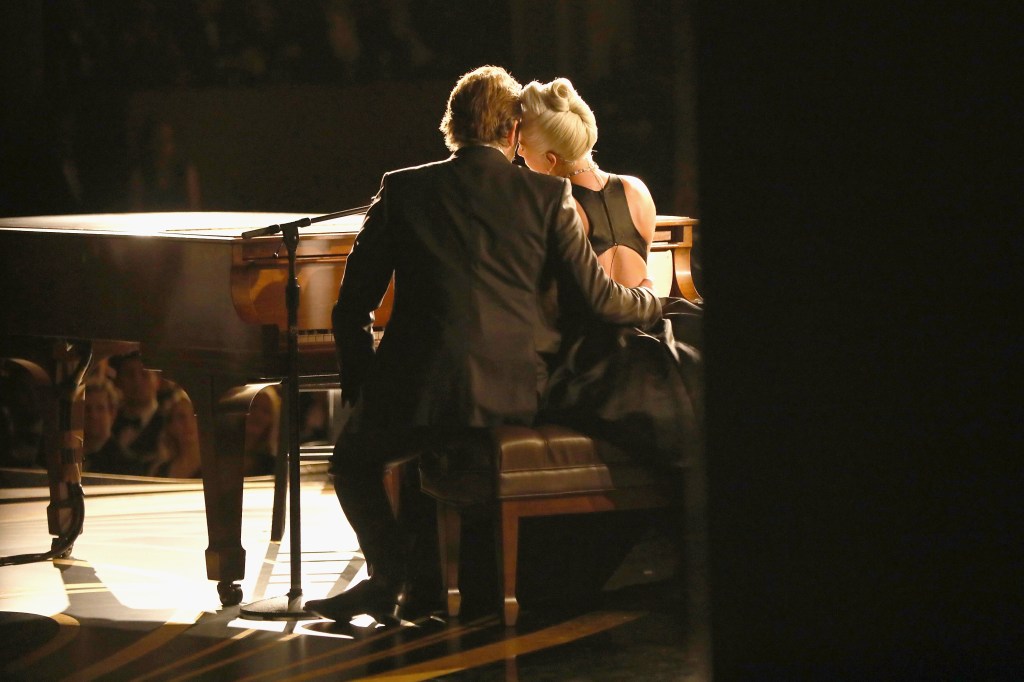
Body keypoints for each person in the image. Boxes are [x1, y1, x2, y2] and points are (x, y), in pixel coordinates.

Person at [303, 65, 662, 624]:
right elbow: (603, 303)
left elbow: (351, 309)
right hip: (516, 395)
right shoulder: (548, 195)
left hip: (417, 393)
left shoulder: (403, 189)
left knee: (352, 462)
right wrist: (656, 303)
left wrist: (366, 386)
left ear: (452, 125)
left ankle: (390, 576)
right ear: (514, 133)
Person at [517, 77, 704, 472]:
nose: (519, 160)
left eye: (523, 152)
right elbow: (638, 278)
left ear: (550, 160)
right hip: (656, 326)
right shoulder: (638, 189)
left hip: (594, 353)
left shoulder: (556, 208)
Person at [109, 352, 170, 473]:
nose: (137, 381)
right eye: (130, 374)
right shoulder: (108, 420)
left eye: (144, 374)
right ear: (119, 381)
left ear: (157, 381)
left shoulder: (169, 422)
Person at [82, 378, 143, 475]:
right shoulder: (68, 457)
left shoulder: (125, 463)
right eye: (87, 409)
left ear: (112, 413)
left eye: (100, 408)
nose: (93, 415)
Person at [150, 390, 202, 478]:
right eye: (181, 417)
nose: (188, 423)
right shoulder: (161, 471)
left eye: (194, 416)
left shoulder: (214, 466)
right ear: (170, 426)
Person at [243, 386, 280, 476]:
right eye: (253, 406)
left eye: (265, 411)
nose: (258, 415)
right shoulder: (220, 457)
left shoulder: (274, 465)